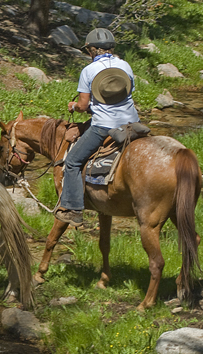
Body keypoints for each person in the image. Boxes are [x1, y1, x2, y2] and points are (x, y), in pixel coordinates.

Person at [55, 28, 139, 227]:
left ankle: (73, 209)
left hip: (103, 125)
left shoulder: (89, 70)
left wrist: (73, 106)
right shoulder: (124, 65)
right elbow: (128, 92)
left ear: (92, 50)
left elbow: (83, 106)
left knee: (74, 161)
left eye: (88, 50)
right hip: (132, 122)